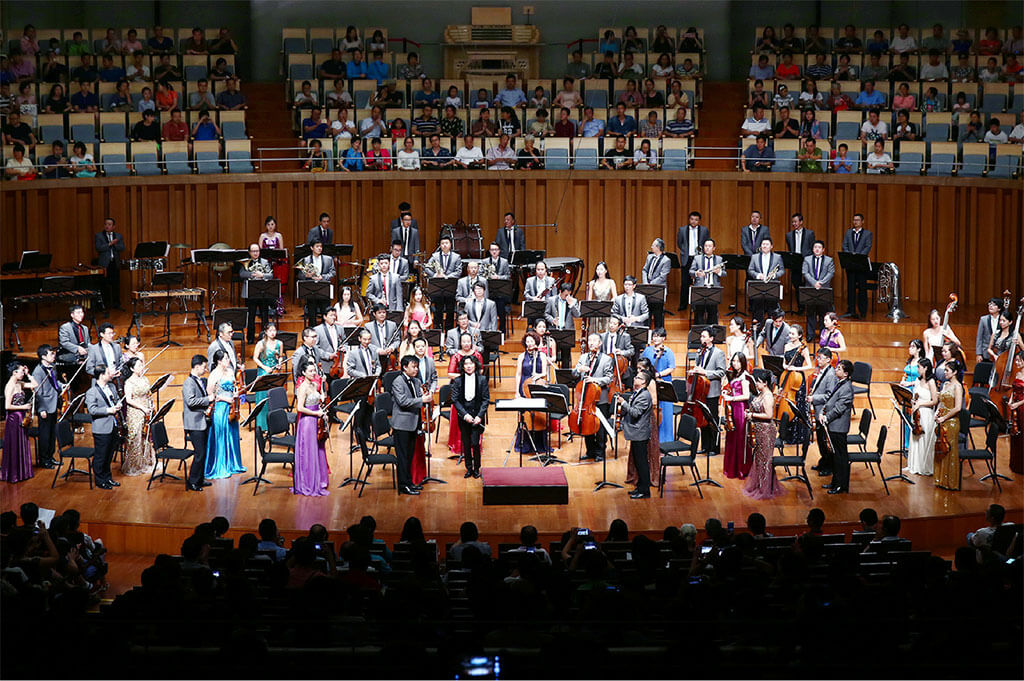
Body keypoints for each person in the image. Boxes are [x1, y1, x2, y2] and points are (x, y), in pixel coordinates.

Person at [391, 355, 431, 495]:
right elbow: (403, 402)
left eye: (417, 367)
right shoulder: (397, 382)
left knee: (409, 456)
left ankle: (409, 482)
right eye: (413, 367)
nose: (416, 369)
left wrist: (426, 396)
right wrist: (422, 400)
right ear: (404, 367)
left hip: (414, 423)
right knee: (403, 457)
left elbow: (417, 398)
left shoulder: (416, 381)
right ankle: (403, 485)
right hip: (402, 425)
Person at [743, 369, 784, 499]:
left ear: (765, 383)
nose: (756, 384)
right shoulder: (761, 393)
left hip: (766, 431)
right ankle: (760, 485)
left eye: (758, 382)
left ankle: (765, 488)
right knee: (759, 459)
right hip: (759, 430)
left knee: (765, 460)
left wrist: (752, 415)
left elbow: (768, 415)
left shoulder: (768, 396)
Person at [204, 349, 245, 480]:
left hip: (232, 407)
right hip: (221, 408)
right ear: (219, 361)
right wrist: (224, 398)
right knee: (221, 435)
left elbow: (234, 386)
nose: (229, 360)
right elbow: (210, 394)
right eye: (226, 359)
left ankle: (233, 464)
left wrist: (236, 393)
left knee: (232, 434)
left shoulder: (230, 371)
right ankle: (221, 466)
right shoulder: (214, 375)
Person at [291, 358, 329, 496]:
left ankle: (319, 480)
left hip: (316, 420)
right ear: (303, 372)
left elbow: (317, 402)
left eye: (314, 370)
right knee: (308, 452)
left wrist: (322, 412)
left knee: (318, 449)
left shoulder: (314, 384)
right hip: (307, 422)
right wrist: (316, 413)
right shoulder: (302, 388)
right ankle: (307, 483)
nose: (314, 373)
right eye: (311, 371)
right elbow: (299, 408)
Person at [573, 334, 615, 461]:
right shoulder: (583, 357)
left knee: (600, 427)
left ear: (600, 343)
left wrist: (594, 380)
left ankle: (600, 452)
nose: (591, 343)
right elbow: (574, 373)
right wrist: (579, 370)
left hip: (599, 397)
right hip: (585, 397)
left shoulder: (606, 359)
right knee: (587, 424)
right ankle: (590, 451)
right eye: (589, 340)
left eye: (594, 340)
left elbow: (609, 378)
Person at [514, 331, 553, 455]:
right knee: (525, 415)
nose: (530, 343)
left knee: (539, 414)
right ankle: (525, 444)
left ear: (536, 342)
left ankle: (540, 445)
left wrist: (538, 375)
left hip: (537, 385)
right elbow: (518, 374)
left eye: (532, 341)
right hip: (524, 386)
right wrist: (517, 391)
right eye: (528, 341)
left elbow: (544, 372)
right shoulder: (521, 356)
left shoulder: (542, 355)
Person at [820, 359, 855, 494]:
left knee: (840, 457)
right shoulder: (840, 383)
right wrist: (823, 411)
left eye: (839, 368)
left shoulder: (847, 388)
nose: (836, 369)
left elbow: (839, 408)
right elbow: (831, 401)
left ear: (846, 374)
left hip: (838, 427)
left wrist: (827, 417)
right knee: (835, 457)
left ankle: (841, 485)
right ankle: (835, 482)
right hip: (833, 425)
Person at [451, 354, 489, 478]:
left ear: (475, 365)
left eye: (471, 363)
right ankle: (468, 468)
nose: (468, 366)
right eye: (466, 364)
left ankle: (477, 468)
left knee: (475, 443)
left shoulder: (482, 379)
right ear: (462, 366)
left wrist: (479, 416)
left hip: (477, 416)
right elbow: (455, 400)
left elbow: (485, 400)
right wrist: (464, 415)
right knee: (466, 443)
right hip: (464, 417)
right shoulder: (457, 381)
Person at [85, 364, 122, 489]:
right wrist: (108, 410)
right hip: (101, 428)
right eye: (108, 372)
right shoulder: (92, 392)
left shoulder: (111, 387)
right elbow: (92, 410)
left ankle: (108, 478)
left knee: (109, 454)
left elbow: (116, 399)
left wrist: (118, 404)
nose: (110, 374)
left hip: (113, 425)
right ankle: (100, 480)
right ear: (101, 375)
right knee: (101, 456)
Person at [619, 371, 654, 499]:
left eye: (638, 377)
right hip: (636, 433)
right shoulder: (638, 392)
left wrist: (624, 403)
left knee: (642, 463)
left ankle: (645, 491)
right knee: (638, 462)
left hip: (640, 433)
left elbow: (635, 413)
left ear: (644, 382)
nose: (635, 378)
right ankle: (640, 487)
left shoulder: (644, 396)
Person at [181, 355, 212, 491]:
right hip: (194, 423)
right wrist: (208, 399)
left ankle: (199, 479)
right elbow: (191, 401)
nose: (205, 369)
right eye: (204, 367)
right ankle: (192, 481)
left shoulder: (199, 380)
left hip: (201, 421)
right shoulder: (189, 382)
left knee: (203, 452)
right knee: (199, 453)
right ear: (197, 366)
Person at [1, 362, 36, 483]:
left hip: (21, 417)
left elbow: (35, 384)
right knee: (14, 444)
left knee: (22, 442)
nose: (23, 373)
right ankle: (13, 474)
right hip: (13, 418)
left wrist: (28, 374)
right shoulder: (10, 386)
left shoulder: (19, 384)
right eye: (21, 371)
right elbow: (7, 406)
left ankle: (22, 473)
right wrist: (24, 407)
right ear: (14, 372)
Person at [121, 357, 155, 476]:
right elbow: (129, 400)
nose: (142, 367)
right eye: (139, 366)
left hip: (146, 409)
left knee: (145, 437)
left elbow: (148, 394)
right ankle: (135, 465)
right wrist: (142, 408)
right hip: (135, 411)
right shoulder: (129, 382)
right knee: (136, 437)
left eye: (142, 365)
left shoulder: (144, 379)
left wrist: (151, 405)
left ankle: (146, 462)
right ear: (132, 368)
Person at [781, 325, 813, 451]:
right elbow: (784, 362)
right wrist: (785, 366)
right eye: (790, 333)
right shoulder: (786, 346)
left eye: (793, 334)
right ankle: (786, 433)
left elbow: (809, 365)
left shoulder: (803, 348)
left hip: (798, 379)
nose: (790, 336)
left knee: (798, 405)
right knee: (787, 404)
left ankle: (799, 436)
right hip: (788, 376)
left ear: (799, 335)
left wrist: (796, 368)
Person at [722, 353, 754, 480]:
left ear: (743, 363)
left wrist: (731, 398)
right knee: (732, 437)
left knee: (740, 438)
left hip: (740, 409)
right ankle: (732, 468)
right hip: (734, 407)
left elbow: (746, 396)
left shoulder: (744, 376)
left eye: (738, 361)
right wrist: (728, 392)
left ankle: (741, 469)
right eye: (733, 361)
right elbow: (735, 390)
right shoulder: (736, 375)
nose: (735, 364)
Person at [934, 357, 964, 491]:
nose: (944, 372)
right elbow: (941, 401)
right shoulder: (945, 384)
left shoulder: (958, 387)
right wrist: (937, 413)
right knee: (941, 449)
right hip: (942, 420)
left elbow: (957, 408)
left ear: (955, 372)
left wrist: (944, 418)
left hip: (951, 422)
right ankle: (940, 479)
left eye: (947, 370)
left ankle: (950, 482)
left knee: (949, 450)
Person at [641, 328, 676, 444]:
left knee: (664, 412)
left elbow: (671, 368)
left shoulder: (668, 352)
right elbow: (642, 364)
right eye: (654, 336)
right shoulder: (647, 350)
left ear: (663, 338)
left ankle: (665, 441)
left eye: (658, 336)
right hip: (649, 383)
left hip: (663, 383)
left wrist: (659, 374)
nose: (655, 338)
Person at [907, 357, 939, 477]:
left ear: (926, 368)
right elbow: (915, 396)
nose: (917, 369)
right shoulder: (917, 380)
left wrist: (920, 404)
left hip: (926, 414)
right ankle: (914, 465)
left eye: (919, 367)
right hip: (917, 414)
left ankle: (924, 466)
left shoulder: (931, 382)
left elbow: (934, 401)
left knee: (924, 440)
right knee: (916, 439)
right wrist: (913, 401)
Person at [30, 345, 61, 469]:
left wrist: (62, 386)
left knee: (52, 433)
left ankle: (50, 456)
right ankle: (44, 460)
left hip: (53, 404)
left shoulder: (52, 367)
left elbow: (55, 382)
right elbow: (37, 392)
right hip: (45, 407)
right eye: (51, 354)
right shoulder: (38, 372)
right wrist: (41, 408)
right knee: (45, 435)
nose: (54, 356)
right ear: (43, 356)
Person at [808, 348, 837, 475]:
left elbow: (830, 396)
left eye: (821, 358)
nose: (818, 360)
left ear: (828, 360)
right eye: (817, 357)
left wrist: (814, 398)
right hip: (818, 410)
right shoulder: (821, 371)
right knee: (820, 439)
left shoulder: (831, 375)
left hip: (823, 411)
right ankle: (823, 462)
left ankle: (829, 466)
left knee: (824, 440)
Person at [427, 235, 462, 330]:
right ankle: (438, 330)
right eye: (442, 243)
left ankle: (449, 330)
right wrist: (435, 275)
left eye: (446, 243)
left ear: (450, 244)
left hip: (450, 287)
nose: (444, 245)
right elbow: (427, 268)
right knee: (438, 310)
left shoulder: (456, 257)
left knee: (450, 311)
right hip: (438, 287)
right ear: (440, 245)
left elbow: (458, 271)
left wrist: (447, 277)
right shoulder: (435, 256)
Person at [239, 244, 273, 343]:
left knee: (264, 316)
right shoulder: (246, 262)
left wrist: (262, 275)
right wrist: (253, 274)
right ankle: (250, 338)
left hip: (263, 292)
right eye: (253, 251)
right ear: (249, 252)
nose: (255, 253)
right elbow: (242, 274)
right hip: (250, 292)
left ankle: (265, 337)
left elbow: (270, 275)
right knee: (251, 316)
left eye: (257, 251)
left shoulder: (265, 262)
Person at [841, 214, 872, 319]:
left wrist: (858, 256)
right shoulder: (848, 232)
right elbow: (844, 245)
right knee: (851, 288)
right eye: (854, 220)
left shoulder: (867, 233)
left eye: (858, 220)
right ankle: (851, 310)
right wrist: (850, 255)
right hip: (850, 265)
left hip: (861, 265)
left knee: (862, 288)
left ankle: (862, 311)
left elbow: (868, 246)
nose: (855, 222)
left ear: (862, 221)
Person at [802, 240, 835, 339]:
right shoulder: (807, 259)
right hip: (810, 289)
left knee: (823, 313)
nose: (817, 249)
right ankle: (810, 335)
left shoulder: (829, 260)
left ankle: (823, 335)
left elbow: (831, 273)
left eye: (819, 247)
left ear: (823, 249)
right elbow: (805, 272)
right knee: (810, 312)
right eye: (815, 247)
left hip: (823, 289)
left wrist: (820, 283)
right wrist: (814, 283)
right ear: (813, 249)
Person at [746, 236, 784, 322]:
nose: (765, 246)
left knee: (772, 311)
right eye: (763, 244)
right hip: (759, 286)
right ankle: (758, 328)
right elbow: (750, 270)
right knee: (758, 312)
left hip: (772, 286)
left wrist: (774, 275)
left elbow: (782, 270)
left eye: (767, 244)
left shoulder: (777, 257)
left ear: (771, 246)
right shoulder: (754, 257)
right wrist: (757, 275)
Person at [689, 238, 724, 325]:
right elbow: (690, 271)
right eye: (706, 246)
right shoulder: (697, 258)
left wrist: (719, 272)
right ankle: (699, 331)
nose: (707, 248)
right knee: (699, 312)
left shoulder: (719, 259)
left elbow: (724, 273)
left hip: (713, 288)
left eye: (709, 246)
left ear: (714, 248)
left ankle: (712, 331)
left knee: (713, 312)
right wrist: (696, 273)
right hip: (700, 288)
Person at [95, 217, 125, 309]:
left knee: (116, 284)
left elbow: (122, 248)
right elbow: (98, 248)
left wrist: (115, 244)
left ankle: (116, 304)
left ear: (113, 226)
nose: (107, 226)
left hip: (114, 263)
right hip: (104, 264)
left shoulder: (118, 236)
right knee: (104, 285)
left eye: (109, 224)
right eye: (105, 224)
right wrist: (110, 244)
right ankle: (105, 304)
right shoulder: (99, 236)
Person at [642, 238, 671, 328]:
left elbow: (662, 276)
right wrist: (645, 283)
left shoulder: (666, 260)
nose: (651, 247)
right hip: (647, 288)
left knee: (658, 314)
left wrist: (651, 284)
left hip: (658, 289)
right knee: (646, 313)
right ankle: (646, 332)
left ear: (658, 247)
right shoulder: (649, 257)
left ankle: (658, 332)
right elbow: (644, 270)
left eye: (653, 245)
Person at [585, 262, 617, 333]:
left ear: (606, 271)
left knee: (606, 331)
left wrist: (608, 305)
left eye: (601, 269)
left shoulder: (611, 282)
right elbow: (589, 299)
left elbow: (615, 297)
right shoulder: (592, 283)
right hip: (596, 312)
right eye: (597, 269)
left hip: (607, 310)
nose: (599, 271)